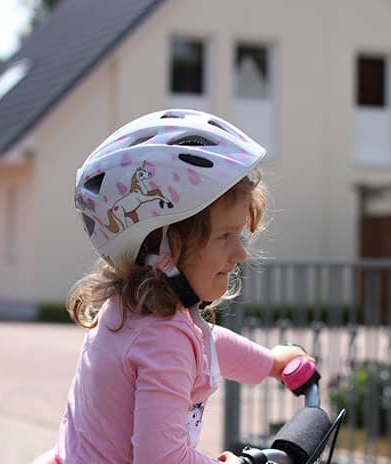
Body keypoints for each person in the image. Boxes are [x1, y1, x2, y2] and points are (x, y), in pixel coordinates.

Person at [49, 109, 311, 463]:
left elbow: (208, 344)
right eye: (225, 236)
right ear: (164, 249)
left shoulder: (132, 313)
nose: (240, 253)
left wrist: (272, 364)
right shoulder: (162, 339)